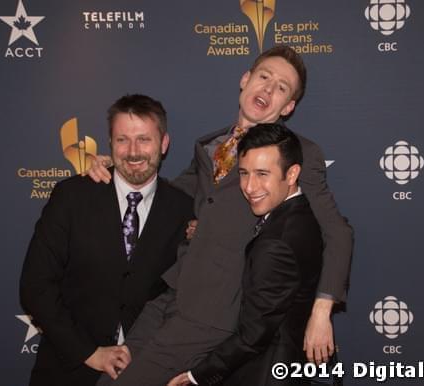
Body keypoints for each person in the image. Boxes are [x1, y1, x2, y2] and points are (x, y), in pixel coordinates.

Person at [92, 45, 353, 385]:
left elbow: (337, 231)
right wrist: (119, 166)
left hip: (215, 314)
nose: (268, 88)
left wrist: (322, 311)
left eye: (281, 87)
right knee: (114, 372)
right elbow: (166, 193)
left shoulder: (299, 152)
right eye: (264, 77)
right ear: (245, 80)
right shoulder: (210, 146)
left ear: (287, 107)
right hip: (170, 296)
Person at [19, 94, 193, 386]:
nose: (133, 151)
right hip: (67, 369)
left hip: (148, 372)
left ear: (164, 144)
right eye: (123, 140)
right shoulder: (72, 197)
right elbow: (35, 287)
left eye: (144, 139)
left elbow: (183, 298)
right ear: (110, 145)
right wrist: (89, 353)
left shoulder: (184, 209)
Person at [169, 123, 325, 386]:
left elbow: (253, 336)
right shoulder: (303, 213)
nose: (250, 187)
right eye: (243, 173)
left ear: (292, 173)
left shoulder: (276, 244)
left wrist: (196, 376)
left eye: (262, 174)